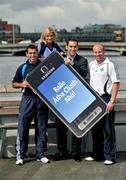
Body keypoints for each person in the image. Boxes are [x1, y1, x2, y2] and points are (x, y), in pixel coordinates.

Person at [12, 44, 49, 165]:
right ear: (26, 54)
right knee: (23, 128)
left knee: (41, 128)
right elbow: (14, 83)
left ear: (37, 53)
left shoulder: (44, 65)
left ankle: (41, 154)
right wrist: (22, 84)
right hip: (27, 99)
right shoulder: (22, 67)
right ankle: (20, 155)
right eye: (30, 53)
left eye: (34, 53)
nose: (32, 55)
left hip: (41, 100)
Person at [85, 43, 120, 165]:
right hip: (94, 99)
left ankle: (110, 156)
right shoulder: (91, 65)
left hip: (105, 99)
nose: (97, 54)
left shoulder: (110, 65)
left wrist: (112, 101)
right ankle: (97, 154)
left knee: (108, 130)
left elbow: (116, 83)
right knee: (96, 130)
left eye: (99, 52)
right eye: (95, 52)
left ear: (103, 51)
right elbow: (89, 82)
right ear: (93, 53)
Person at [55, 38, 90, 162]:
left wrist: (72, 65)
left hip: (76, 98)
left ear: (78, 48)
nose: (72, 49)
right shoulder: (59, 59)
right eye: (70, 46)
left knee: (76, 127)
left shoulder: (83, 61)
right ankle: (62, 152)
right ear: (66, 47)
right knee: (61, 128)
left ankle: (76, 153)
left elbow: (85, 75)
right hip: (62, 98)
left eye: (75, 47)